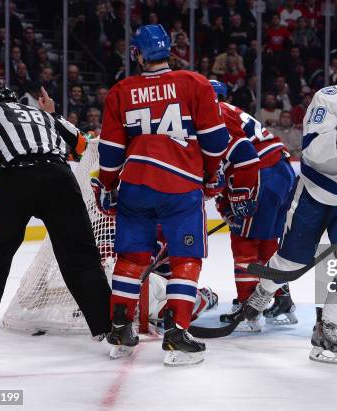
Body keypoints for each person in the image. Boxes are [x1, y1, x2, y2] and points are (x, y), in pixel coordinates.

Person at [241, 46, 337, 364]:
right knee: (291, 264)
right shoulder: (329, 99)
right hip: (313, 194)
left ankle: (327, 327)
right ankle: (262, 292)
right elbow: (311, 152)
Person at [94, 24, 229, 366]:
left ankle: (121, 329)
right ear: (168, 50)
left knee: (131, 258)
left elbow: (110, 152)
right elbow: (215, 141)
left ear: (137, 53)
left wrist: (108, 184)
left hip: (135, 185)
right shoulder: (194, 83)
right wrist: (212, 174)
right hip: (180, 188)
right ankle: (176, 334)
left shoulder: (121, 90)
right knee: (185, 260)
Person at [0, 86, 111, 353]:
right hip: (60, 177)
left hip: (17, 179)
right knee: (82, 255)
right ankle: (107, 327)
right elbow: (80, 145)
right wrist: (53, 113)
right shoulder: (39, 112)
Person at [209, 80, 297, 332]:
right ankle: (281, 300)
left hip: (261, 173)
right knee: (268, 242)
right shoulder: (230, 110)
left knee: (244, 240)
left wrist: (238, 198)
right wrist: (225, 201)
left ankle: (248, 305)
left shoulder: (215, 114)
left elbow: (243, 157)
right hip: (279, 170)